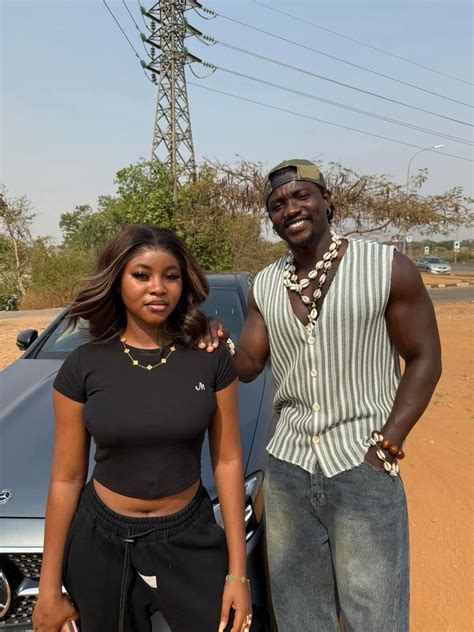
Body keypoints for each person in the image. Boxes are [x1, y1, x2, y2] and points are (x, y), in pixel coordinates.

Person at [206, 159, 442, 631]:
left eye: (301, 196)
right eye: (277, 205)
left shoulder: (385, 268)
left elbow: (425, 358)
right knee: (299, 613)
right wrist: (215, 337)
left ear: (326, 200)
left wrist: (387, 444)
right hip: (288, 470)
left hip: (361, 465)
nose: (290, 209)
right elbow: (248, 366)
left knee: (375, 615)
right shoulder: (266, 285)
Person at [32, 225, 252, 632]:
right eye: (141, 275)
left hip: (188, 534)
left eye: (171, 276)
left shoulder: (210, 357)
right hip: (100, 541)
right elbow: (66, 477)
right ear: (117, 282)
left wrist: (238, 575)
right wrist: (49, 589)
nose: (158, 288)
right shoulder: (83, 365)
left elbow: (227, 461)